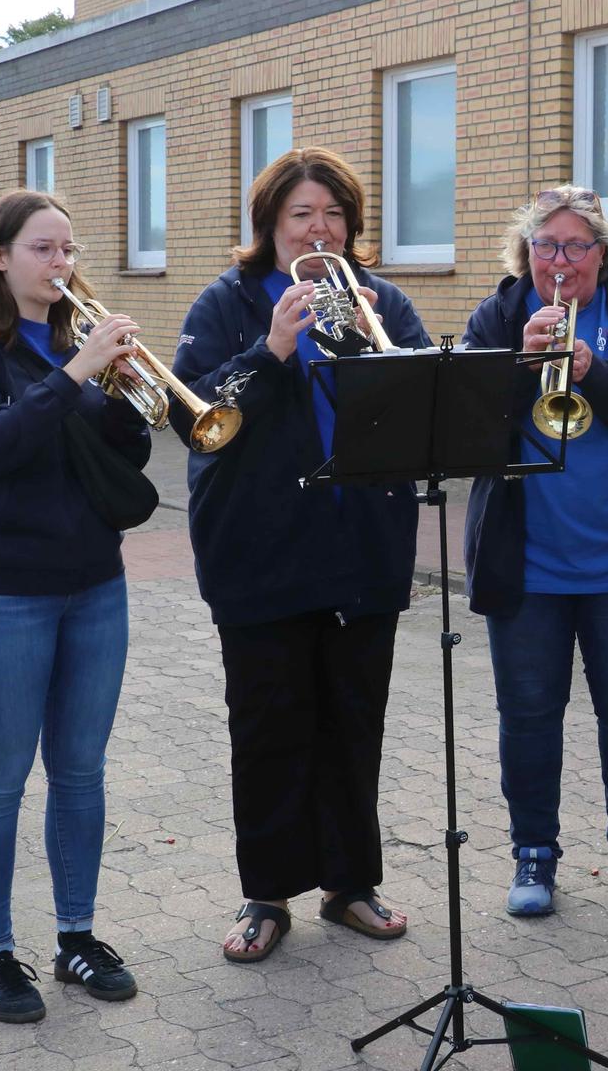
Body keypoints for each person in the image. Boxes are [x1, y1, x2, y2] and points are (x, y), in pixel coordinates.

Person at [171, 148, 431, 963]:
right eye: (300, 216)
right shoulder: (229, 301)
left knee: (355, 725)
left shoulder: (381, 299)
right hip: (261, 554)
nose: (318, 229)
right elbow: (192, 415)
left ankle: (351, 885)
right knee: (269, 729)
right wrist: (271, 351)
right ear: (269, 226)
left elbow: (423, 403)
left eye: (332, 215)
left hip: (361, 553)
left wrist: (366, 351)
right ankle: (267, 895)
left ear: (351, 225)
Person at [0, 190, 151, 1022]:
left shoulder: (70, 339)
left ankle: (76, 937)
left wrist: (126, 398)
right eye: (43, 249)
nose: (62, 264)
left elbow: (120, 453)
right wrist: (78, 375)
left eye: (68, 248)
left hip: (94, 581)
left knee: (82, 771)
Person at [461, 185, 608, 917]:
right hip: (527, 566)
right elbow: (462, 426)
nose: (560, 263)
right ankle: (534, 855)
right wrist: (514, 369)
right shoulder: (498, 316)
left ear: (604, 254)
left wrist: (598, 373)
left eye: (575, 248)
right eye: (546, 247)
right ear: (525, 253)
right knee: (528, 718)